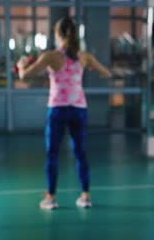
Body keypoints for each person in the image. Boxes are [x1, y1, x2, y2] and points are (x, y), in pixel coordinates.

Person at [16, 16, 112, 210]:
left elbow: (25, 76)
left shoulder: (51, 56)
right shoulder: (83, 56)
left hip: (58, 109)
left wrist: (20, 65)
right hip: (78, 109)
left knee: (52, 153)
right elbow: (106, 73)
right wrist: (90, 66)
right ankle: (85, 196)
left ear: (58, 34)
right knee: (80, 152)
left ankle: (50, 197)